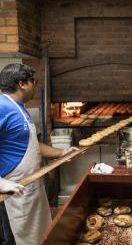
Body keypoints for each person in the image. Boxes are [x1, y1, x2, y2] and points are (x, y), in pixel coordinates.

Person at [0, 63, 78, 245]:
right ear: (22, 84)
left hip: (30, 186)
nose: (34, 86)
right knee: (15, 239)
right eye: (33, 81)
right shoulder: (3, 107)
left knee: (38, 237)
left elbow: (32, 146)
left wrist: (63, 152)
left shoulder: (18, 108)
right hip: (13, 190)